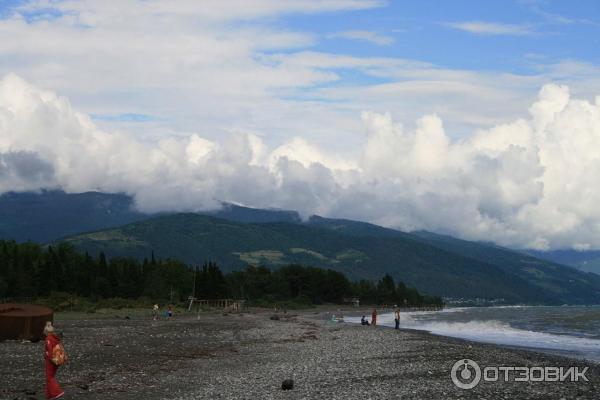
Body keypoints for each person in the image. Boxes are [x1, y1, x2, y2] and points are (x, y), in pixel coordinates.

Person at [44, 322, 65, 400]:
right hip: (57, 360)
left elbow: (49, 351)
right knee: (51, 376)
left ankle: (57, 392)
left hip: (51, 361)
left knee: (49, 377)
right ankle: (49, 395)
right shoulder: (55, 338)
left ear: (46, 332)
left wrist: (47, 356)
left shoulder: (48, 339)